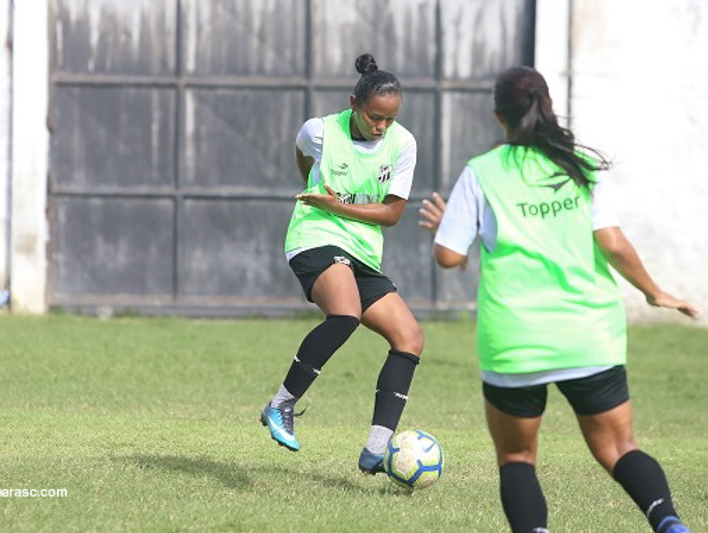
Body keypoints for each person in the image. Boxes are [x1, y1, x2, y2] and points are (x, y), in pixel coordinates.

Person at [420, 66, 699, 533]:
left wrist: (455, 232)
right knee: (619, 448)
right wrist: (653, 292)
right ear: (548, 107)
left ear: (498, 116)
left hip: (515, 339)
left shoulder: (481, 173)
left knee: (516, 457)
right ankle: (668, 522)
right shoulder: (577, 166)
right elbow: (610, 241)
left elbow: (449, 255)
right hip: (589, 334)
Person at [260, 53, 423, 475]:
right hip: (315, 237)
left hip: (363, 251)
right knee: (345, 313)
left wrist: (338, 204)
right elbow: (303, 155)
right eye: (374, 117)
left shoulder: (403, 144)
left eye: (388, 119)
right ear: (353, 102)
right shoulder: (320, 131)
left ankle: (376, 449)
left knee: (409, 337)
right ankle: (281, 404)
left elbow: (392, 213)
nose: (380, 126)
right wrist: (317, 190)